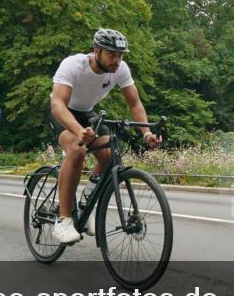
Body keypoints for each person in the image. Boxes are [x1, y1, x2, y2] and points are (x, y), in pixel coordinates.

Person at [48, 28, 162, 243]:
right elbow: (57, 103)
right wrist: (78, 130)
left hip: (87, 112)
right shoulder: (74, 64)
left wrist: (146, 133)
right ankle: (63, 219)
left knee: (110, 152)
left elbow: (135, 103)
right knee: (77, 149)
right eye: (112, 54)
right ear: (97, 51)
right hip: (63, 110)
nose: (117, 60)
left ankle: (86, 202)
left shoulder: (120, 69)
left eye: (120, 56)